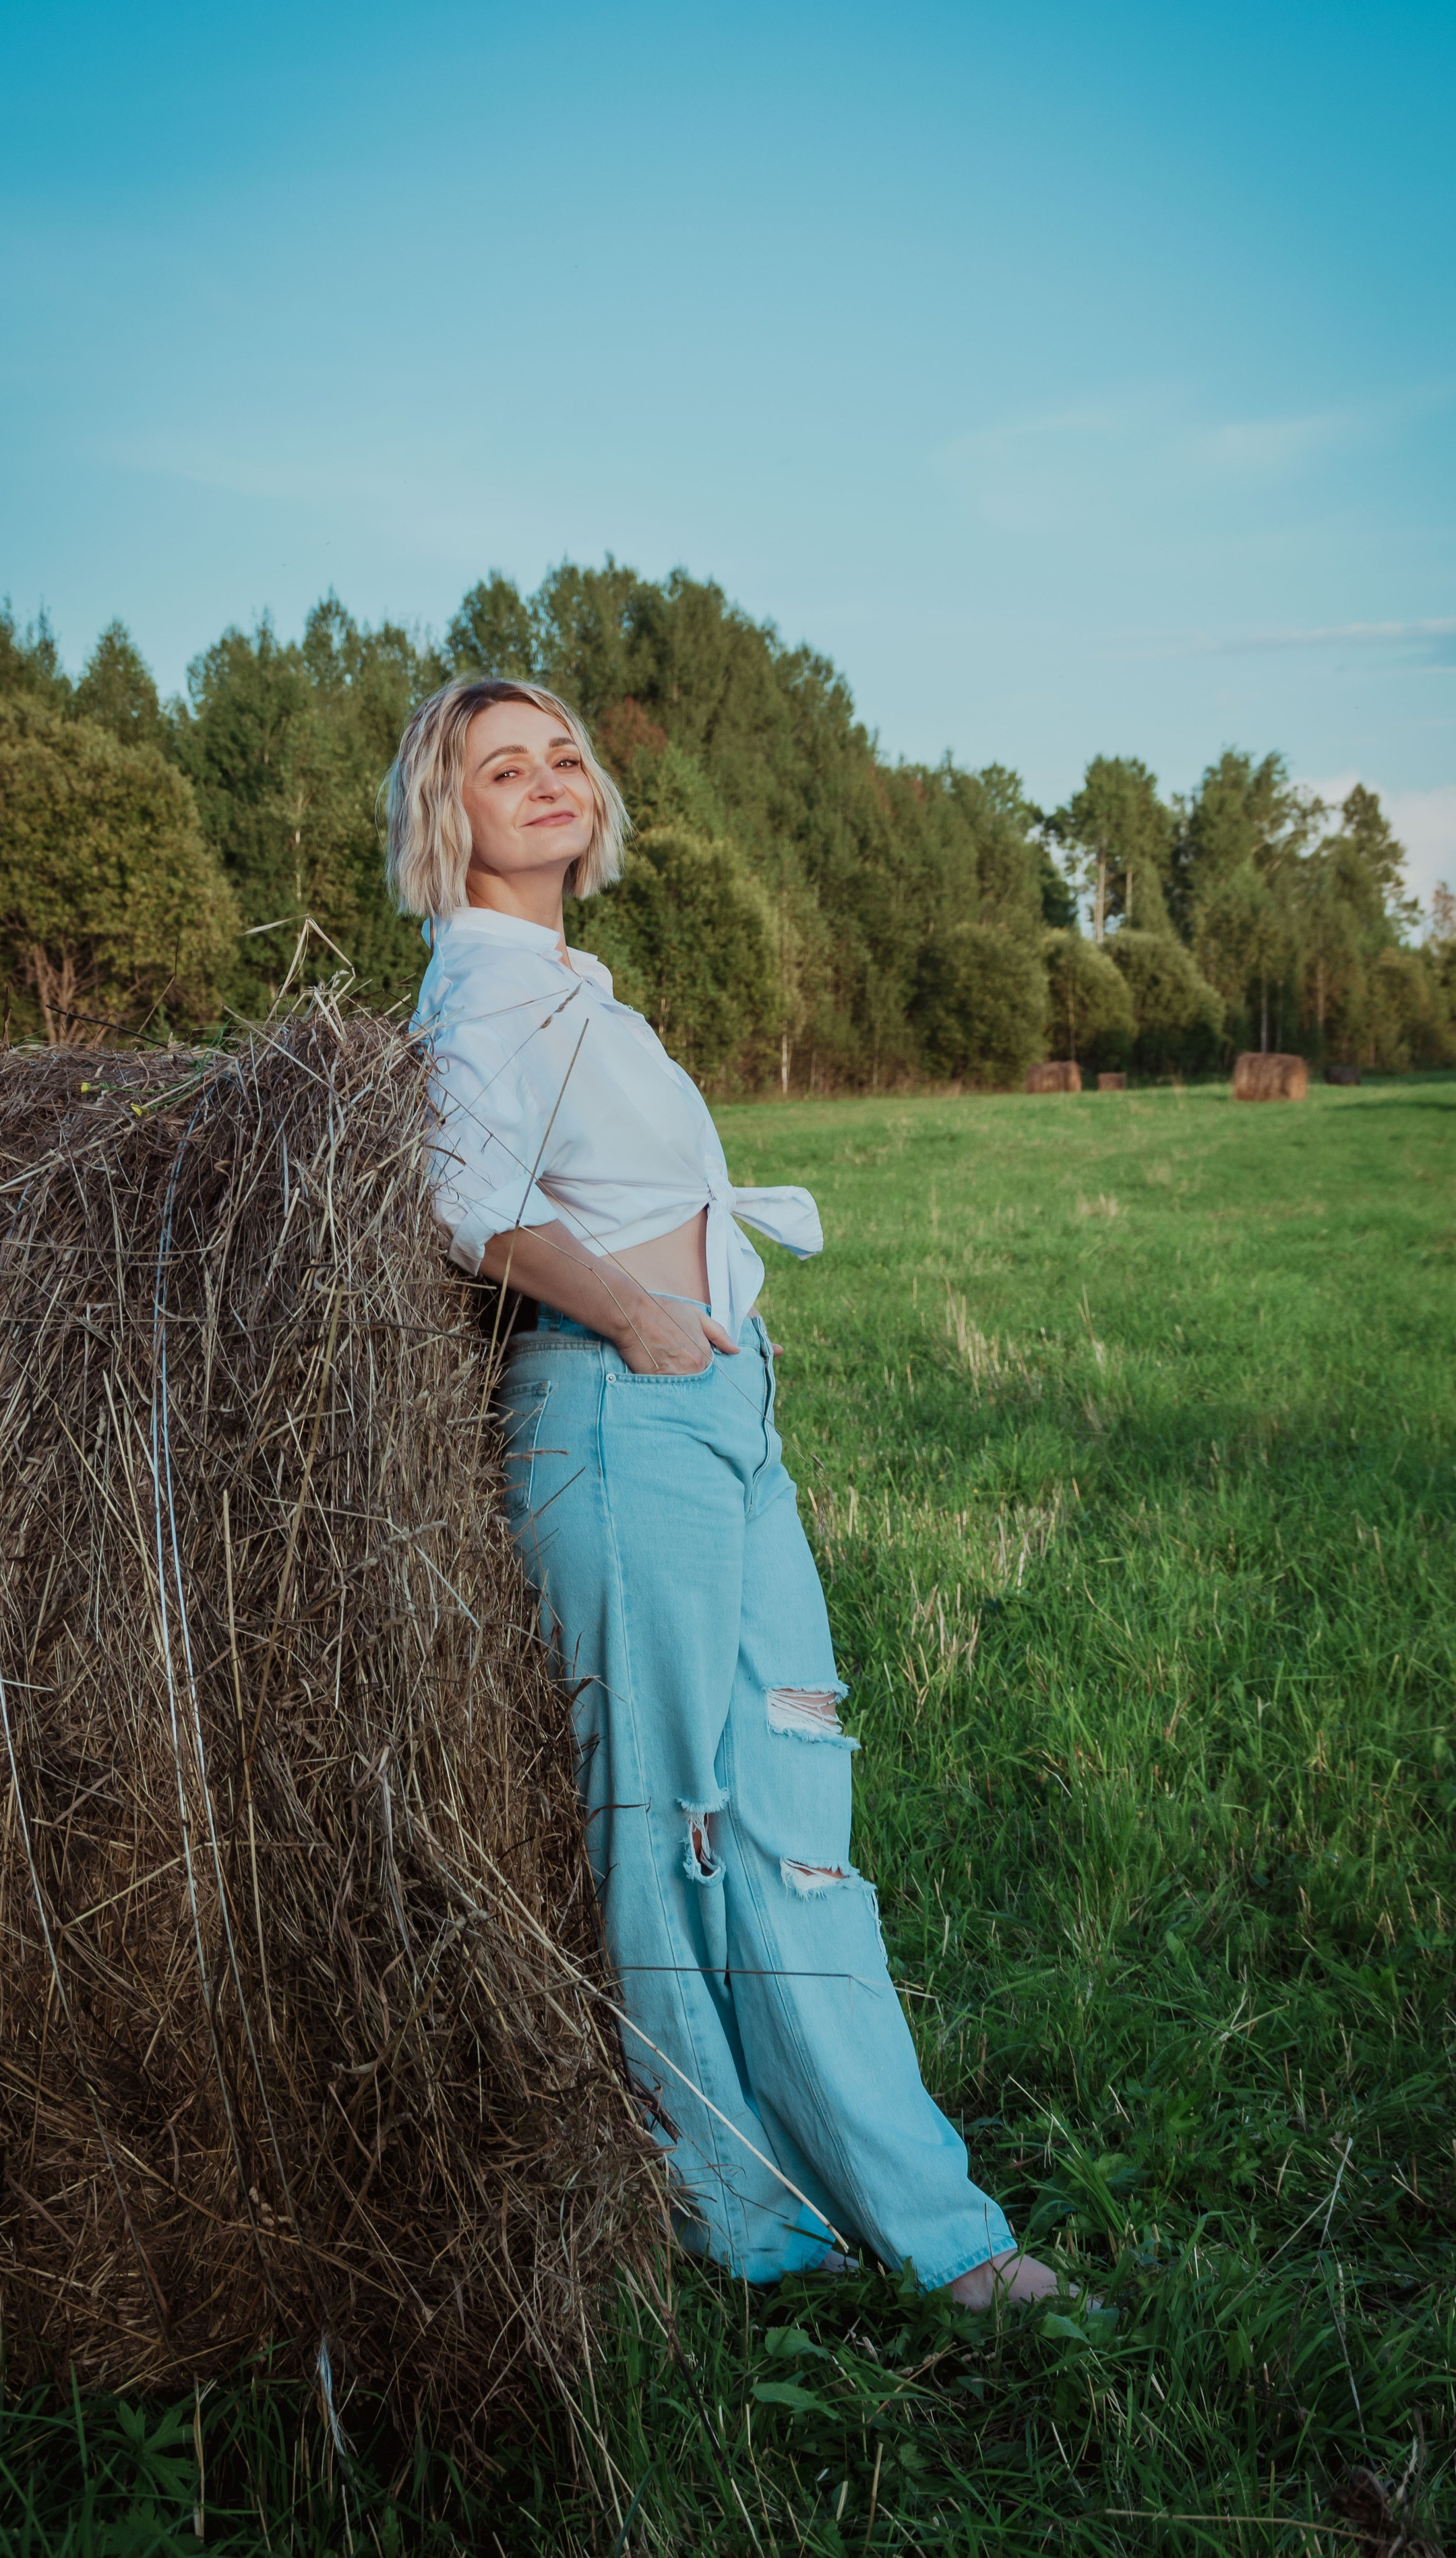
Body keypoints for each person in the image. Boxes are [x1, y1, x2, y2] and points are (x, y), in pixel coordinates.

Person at [388, 674, 1062, 2308]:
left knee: (787, 1819)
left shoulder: (574, 989)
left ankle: (923, 2220)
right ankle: (743, 2223)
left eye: (564, 755)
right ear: (448, 815)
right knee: (660, 1830)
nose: (550, 781)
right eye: (504, 765)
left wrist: (708, 1345)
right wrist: (629, 1311)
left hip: (708, 1416)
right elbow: (457, 1198)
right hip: (617, 1418)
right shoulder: (478, 995)